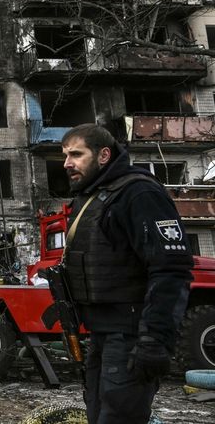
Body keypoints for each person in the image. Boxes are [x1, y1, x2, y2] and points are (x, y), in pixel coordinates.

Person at [60, 124, 193, 424]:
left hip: (131, 335)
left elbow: (171, 269)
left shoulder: (139, 193)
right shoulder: (92, 197)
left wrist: (154, 340)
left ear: (104, 155)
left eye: (76, 154)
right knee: (98, 414)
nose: (67, 163)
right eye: (65, 155)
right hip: (103, 334)